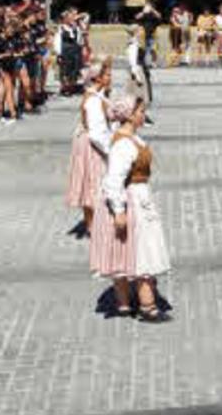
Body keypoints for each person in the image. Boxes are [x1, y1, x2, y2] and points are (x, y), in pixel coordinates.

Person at [102, 94, 171, 323]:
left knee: (124, 249)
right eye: (141, 111)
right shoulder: (124, 144)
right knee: (143, 250)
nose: (144, 115)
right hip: (132, 199)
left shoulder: (129, 138)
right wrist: (119, 211)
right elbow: (113, 180)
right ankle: (147, 306)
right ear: (130, 115)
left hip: (136, 196)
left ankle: (123, 303)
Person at [65, 58, 112, 236]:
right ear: (98, 78)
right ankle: (93, 225)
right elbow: (96, 131)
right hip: (91, 144)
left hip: (87, 140)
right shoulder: (93, 99)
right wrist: (109, 150)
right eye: (107, 75)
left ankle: (92, 223)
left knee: (90, 180)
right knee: (93, 180)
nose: (110, 78)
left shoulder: (97, 95)